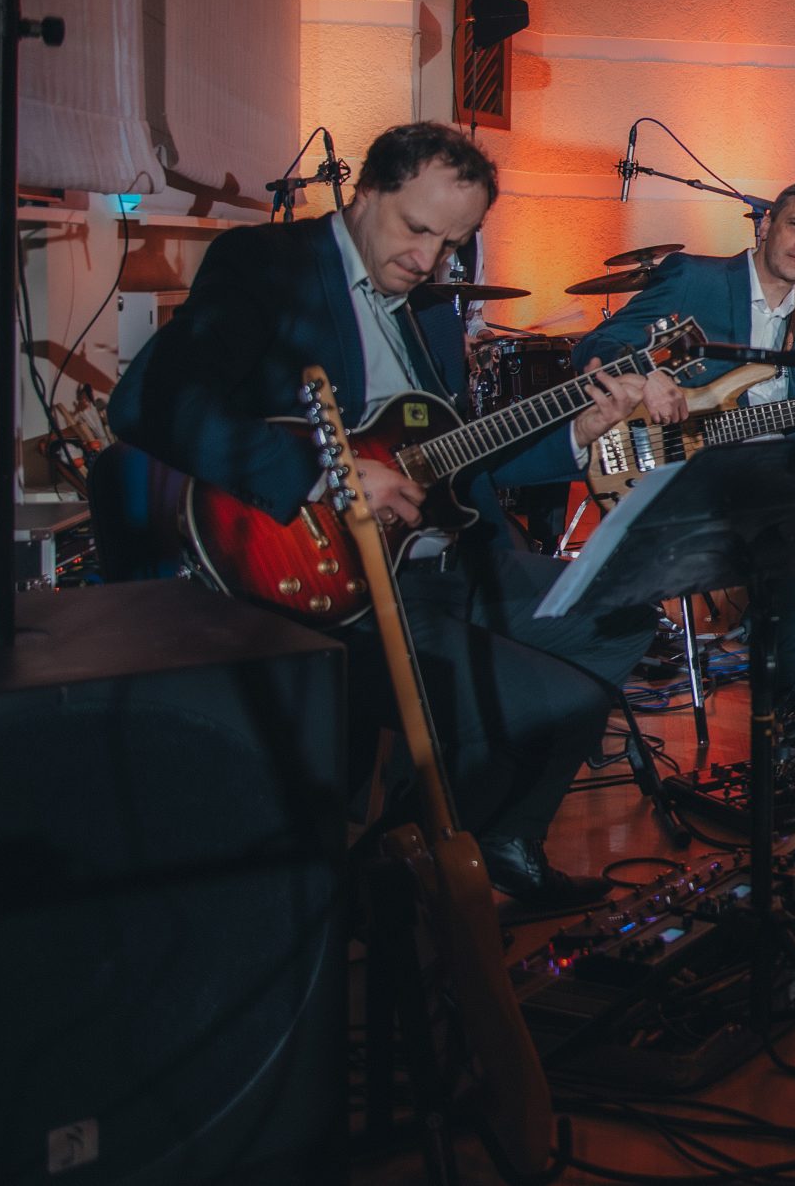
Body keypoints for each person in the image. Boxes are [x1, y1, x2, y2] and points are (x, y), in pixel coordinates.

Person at [110, 123, 665, 910]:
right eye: (416, 228)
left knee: (622, 616)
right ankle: (394, 872)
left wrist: (580, 431)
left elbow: (466, 460)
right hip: (323, 577)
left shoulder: (429, 312)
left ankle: (493, 838)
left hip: (441, 562)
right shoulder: (268, 265)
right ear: (366, 191)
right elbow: (149, 402)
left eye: (452, 242)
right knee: (553, 702)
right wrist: (327, 475)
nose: (429, 258)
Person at [577, 181, 795, 739]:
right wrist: (645, 377)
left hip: (771, 477)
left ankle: (794, 648)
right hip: (680, 472)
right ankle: (792, 683)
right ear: (765, 226)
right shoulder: (694, 278)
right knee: (779, 517)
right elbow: (596, 346)